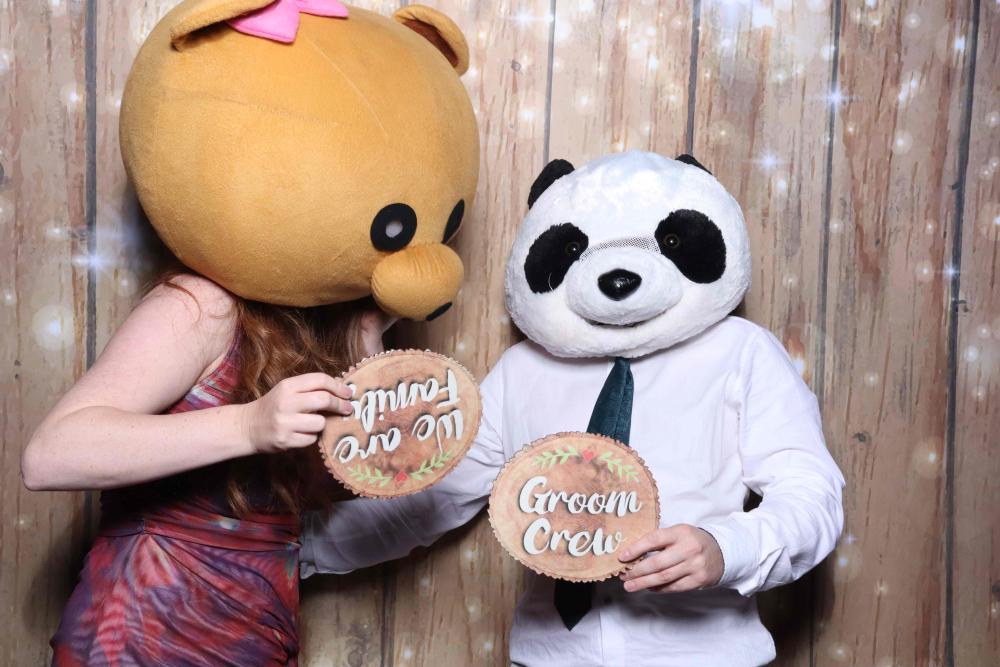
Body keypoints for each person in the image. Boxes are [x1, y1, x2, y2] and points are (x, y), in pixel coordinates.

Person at [301, 152, 845, 666]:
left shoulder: (741, 352)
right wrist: (289, 549)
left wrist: (728, 548)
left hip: (701, 654)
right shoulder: (521, 370)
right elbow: (435, 498)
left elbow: (810, 493)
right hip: (550, 655)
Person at [23, 272, 395, 665]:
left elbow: (305, 507)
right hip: (140, 633)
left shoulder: (324, 333)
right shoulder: (204, 304)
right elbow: (50, 456)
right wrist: (247, 425)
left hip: (258, 637)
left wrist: (367, 342)